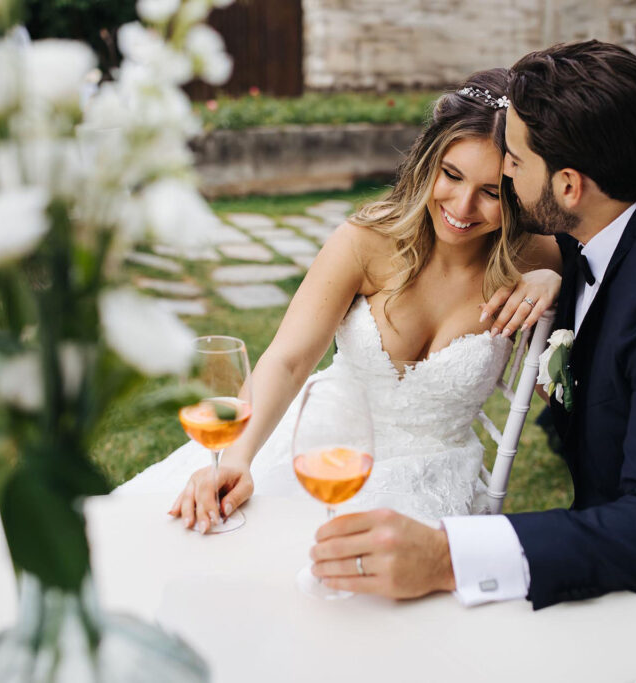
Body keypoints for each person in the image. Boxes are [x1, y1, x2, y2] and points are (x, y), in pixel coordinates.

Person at [308, 41, 636, 682]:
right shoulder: (624, 205)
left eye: (514, 160)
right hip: (613, 557)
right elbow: (564, 244)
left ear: (566, 184)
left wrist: (450, 556)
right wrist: (558, 281)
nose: (502, 170)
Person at [116, 69, 563, 529]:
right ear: (429, 161)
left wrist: (556, 286)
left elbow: (561, 397)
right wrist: (239, 456)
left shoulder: (539, 257)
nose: (463, 207)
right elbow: (288, 360)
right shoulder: (366, 240)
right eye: (451, 175)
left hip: (432, 477)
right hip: (323, 443)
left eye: (491, 192)